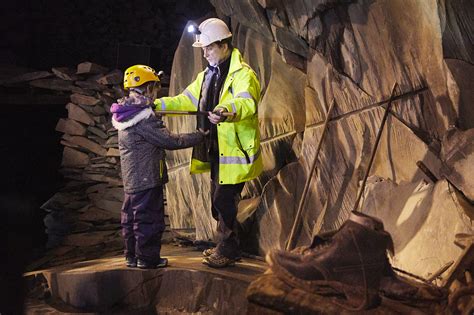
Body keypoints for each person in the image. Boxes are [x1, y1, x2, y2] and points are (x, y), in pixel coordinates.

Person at [154, 18, 262, 268]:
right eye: (202, 49)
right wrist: (156, 105)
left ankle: (227, 249)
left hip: (235, 152)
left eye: (209, 48)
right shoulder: (206, 76)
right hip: (215, 150)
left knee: (223, 200)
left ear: (224, 45)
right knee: (219, 202)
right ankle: (226, 246)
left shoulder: (244, 75)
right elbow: (184, 100)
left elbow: (247, 103)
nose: (204, 54)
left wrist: (226, 109)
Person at [111, 65, 204, 269]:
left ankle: (132, 256)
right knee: (149, 219)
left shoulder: (126, 112)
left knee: (131, 218)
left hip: (132, 177)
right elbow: (171, 140)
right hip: (147, 177)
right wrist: (200, 135)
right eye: (155, 88)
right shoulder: (143, 119)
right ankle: (148, 258)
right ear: (148, 88)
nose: (157, 93)